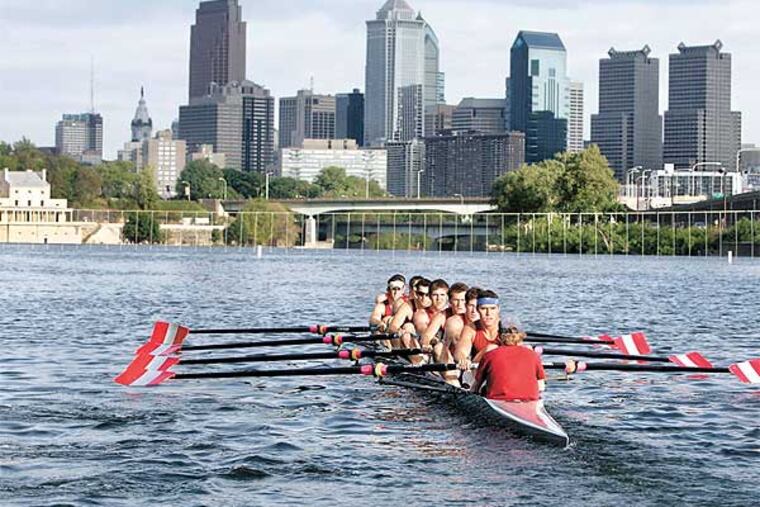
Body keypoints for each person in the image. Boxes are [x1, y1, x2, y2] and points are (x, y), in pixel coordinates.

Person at [470, 325, 546, 401]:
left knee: (483, 389)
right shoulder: (533, 355)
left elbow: (476, 386)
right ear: (520, 340)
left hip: (498, 399)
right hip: (530, 399)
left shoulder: (489, 355)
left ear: (500, 339)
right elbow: (541, 386)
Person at [454, 289, 502, 369]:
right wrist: (463, 359)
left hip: (500, 369)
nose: (488, 313)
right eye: (483, 309)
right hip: (477, 371)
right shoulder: (471, 328)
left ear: (498, 309)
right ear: (477, 309)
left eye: (492, 308)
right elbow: (460, 351)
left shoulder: (506, 326)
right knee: (491, 348)